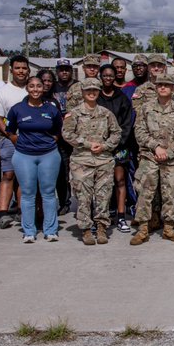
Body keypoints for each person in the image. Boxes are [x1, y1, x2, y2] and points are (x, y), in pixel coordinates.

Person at [130, 76, 174, 245]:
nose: (163, 87)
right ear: (156, 88)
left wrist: (168, 152)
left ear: (172, 89)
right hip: (149, 158)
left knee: (170, 194)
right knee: (145, 194)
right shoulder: (146, 108)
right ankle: (143, 229)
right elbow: (139, 131)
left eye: (167, 85)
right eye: (160, 85)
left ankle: (169, 228)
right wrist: (156, 147)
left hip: (171, 160)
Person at [62, 78, 120, 245]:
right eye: (88, 90)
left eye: (95, 90)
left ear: (99, 92)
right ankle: (86, 229)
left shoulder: (106, 113)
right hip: (82, 161)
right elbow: (67, 134)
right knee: (84, 197)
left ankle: (101, 227)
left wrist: (105, 146)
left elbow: (116, 133)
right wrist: (87, 144)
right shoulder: (74, 113)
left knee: (103, 196)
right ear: (83, 93)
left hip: (103, 160)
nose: (92, 93)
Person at [7, 76, 63, 243]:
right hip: (24, 155)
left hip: (49, 155)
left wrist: (53, 140)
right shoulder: (17, 109)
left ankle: (50, 230)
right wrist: (19, 142)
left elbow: (59, 129)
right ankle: (29, 231)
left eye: (39, 86)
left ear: (43, 88)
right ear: (27, 88)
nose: (36, 89)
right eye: (32, 86)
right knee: (27, 193)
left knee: (48, 193)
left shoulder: (51, 109)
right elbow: (10, 130)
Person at [0, 55, 30, 229]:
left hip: (31, 139)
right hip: (9, 139)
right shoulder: (2, 92)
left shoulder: (33, 88)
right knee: (8, 175)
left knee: (24, 177)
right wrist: (10, 136)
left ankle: (21, 210)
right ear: (12, 70)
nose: (21, 71)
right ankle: (4, 212)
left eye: (24, 68)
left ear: (28, 70)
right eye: (17, 68)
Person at [97, 64, 135, 233]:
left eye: (111, 75)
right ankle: (101, 217)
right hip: (99, 147)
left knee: (120, 180)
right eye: (105, 75)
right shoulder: (96, 97)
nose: (108, 78)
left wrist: (116, 142)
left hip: (120, 146)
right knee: (101, 183)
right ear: (101, 77)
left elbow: (127, 123)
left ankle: (121, 216)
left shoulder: (122, 98)